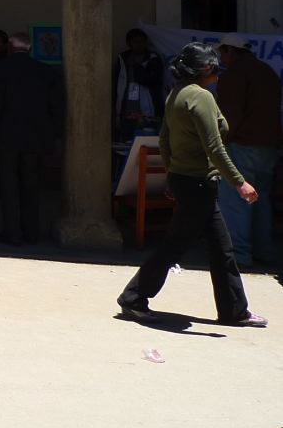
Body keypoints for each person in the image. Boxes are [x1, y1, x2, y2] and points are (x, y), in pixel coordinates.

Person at [117, 43, 267, 328]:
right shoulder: (201, 97)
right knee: (177, 246)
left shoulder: (177, 94)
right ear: (206, 69)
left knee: (220, 249)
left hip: (189, 181)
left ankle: (234, 311)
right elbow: (215, 148)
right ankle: (133, 297)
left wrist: (172, 175)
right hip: (198, 183)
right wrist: (240, 183)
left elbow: (164, 140)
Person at [214, 34, 282, 268]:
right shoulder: (267, 72)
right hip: (269, 146)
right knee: (260, 200)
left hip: (243, 144)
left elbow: (230, 115)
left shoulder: (234, 75)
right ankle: (263, 250)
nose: (221, 58)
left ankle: (238, 254)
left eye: (223, 53)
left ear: (230, 51)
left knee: (235, 199)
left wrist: (221, 143)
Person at [0, 33, 62, 245]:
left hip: (7, 135)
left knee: (9, 185)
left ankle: (12, 232)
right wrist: (54, 135)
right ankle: (32, 232)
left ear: (10, 48)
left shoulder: (1, 69)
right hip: (36, 137)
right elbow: (55, 107)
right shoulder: (45, 72)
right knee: (31, 185)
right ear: (29, 49)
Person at [113, 28, 165, 141]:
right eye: (135, 42)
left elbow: (149, 79)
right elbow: (116, 84)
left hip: (149, 111)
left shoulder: (153, 58)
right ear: (129, 43)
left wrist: (137, 66)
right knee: (127, 143)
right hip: (127, 111)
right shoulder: (123, 59)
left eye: (142, 41)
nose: (139, 45)